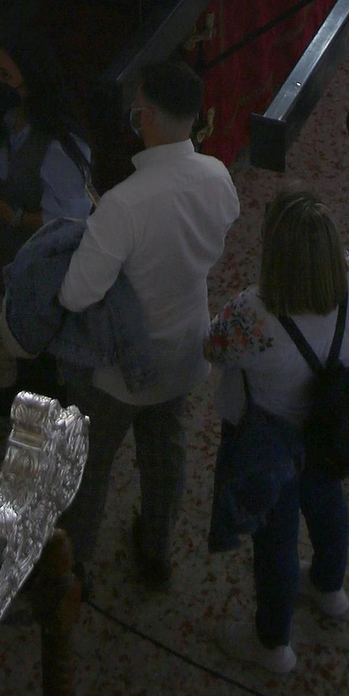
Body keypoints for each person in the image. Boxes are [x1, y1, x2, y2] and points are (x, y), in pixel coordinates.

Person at [58, 56, 239, 585]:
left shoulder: (123, 205)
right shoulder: (218, 177)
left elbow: (76, 294)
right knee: (165, 455)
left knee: (92, 465)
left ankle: (78, 566)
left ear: (151, 119)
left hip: (121, 362)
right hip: (185, 346)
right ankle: (156, 550)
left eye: (138, 111)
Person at [205, 191, 349, 676]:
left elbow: (214, 349)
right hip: (327, 427)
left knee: (275, 539)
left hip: (268, 442)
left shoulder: (255, 311)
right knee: (327, 503)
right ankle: (330, 587)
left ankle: (273, 642)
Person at [0, 29, 95, 414]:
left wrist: (14, 217)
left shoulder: (57, 143)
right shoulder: (7, 118)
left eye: (6, 75)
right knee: (21, 331)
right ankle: (26, 390)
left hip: (40, 264)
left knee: (41, 336)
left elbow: (71, 217)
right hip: (10, 257)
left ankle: (46, 404)